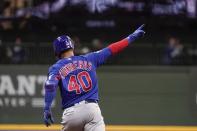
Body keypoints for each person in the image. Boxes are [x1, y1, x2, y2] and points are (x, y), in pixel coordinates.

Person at [43, 24, 145, 131]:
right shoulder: (90, 58)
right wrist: (132, 37)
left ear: (56, 52)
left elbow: (50, 86)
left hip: (71, 114)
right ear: (72, 46)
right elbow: (112, 49)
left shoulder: (56, 68)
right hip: (91, 109)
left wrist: (47, 108)